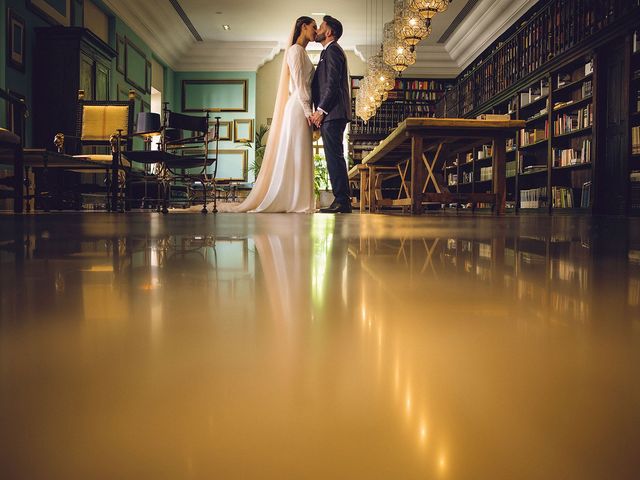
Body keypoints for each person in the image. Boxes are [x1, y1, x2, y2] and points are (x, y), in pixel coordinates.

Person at [206, 16, 317, 213]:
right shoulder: (295, 51)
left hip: (301, 106)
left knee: (300, 153)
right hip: (300, 107)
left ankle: (299, 200)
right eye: (313, 27)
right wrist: (310, 112)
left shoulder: (301, 52)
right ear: (303, 27)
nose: (316, 31)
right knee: (297, 153)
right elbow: (299, 85)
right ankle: (295, 201)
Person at [311, 16, 353, 214]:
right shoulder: (327, 52)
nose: (318, 29)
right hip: (334, 113)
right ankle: (342, 199)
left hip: (333, 113)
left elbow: (333, 84)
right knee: (334, 156)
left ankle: (342, 200)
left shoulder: (333, 50)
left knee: (334, 157)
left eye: (321, 26)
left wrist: (321, 110)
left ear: (328, 32)